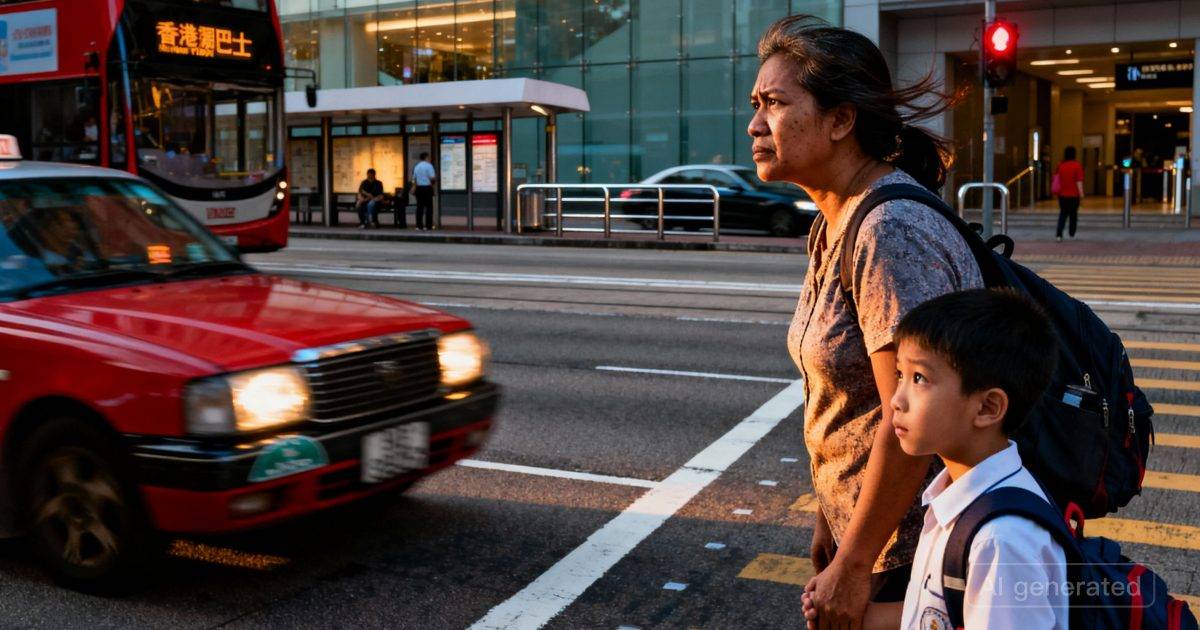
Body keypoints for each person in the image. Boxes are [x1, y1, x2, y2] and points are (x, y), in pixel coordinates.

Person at [748, 15, 983, 628]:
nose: (753, 125)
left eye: (774, 103)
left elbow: (912, 421)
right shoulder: (834, 222)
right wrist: (830, 515)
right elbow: (850, 401)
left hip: (911, 547)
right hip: (872, 534)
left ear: (840, 119)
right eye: (754, 104)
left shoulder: (888, 232)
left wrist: (853, 566)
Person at [804, 288, 1066, 629]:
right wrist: (862, 620)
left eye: (919, 379)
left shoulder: (1001, 541)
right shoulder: (952, 498)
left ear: (987, 408)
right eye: (900, 374)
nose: (897, 400)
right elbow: (937, 611)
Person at [1053, 146, 1084, 241]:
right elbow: (1079, 181)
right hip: (1074, 195)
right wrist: (1081, 193)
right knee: (1073, 214)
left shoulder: (1061, 165)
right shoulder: (1077, 165)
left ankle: (1059, 234)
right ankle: (1072, 233)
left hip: (1062, 195)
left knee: (1063, 213)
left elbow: (1056, 179)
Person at [412, 152, 437, 230]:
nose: (429, 159)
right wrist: (433, 184)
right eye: (428, 157)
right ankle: (428, 225)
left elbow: (414, 179)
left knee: (419, 207)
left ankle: (419, 225)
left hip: (419, 189)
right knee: (429, 208)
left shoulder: (417, 166)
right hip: (427, 188)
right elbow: (432, 178)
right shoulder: (429, 166)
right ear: (426, 157)